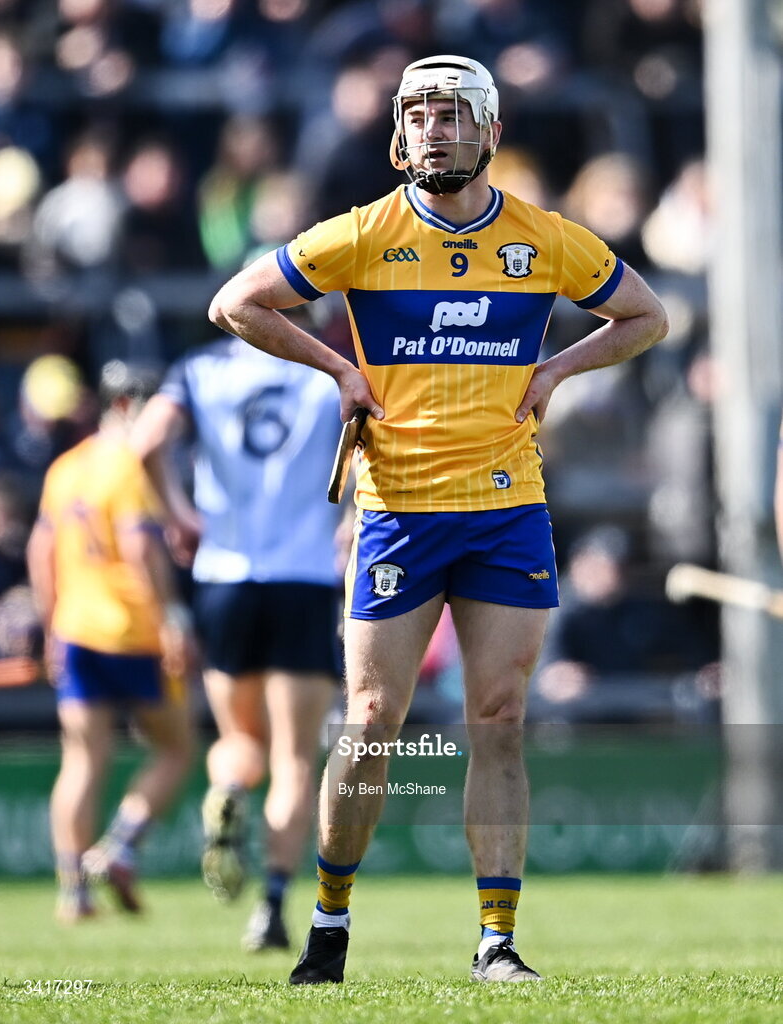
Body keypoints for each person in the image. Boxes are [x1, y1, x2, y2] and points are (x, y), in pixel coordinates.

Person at [207, 54, 669, 984]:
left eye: (452, 114)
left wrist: (553, 371)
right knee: (373, 720)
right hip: (399, 512)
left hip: (505, 511)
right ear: (396, 132)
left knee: (498, 716)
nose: (432, 129)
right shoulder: (363, 232)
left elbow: (645, 316)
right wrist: (339, 367)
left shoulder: (545, 238)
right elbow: (237, 303)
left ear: (491, 133)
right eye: (417, 114)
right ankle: (329, 922)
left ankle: (497, 941)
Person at [130, 316, 343, 951]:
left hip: (224, 574)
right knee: (295, 758)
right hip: (302, 576)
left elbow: (145, 443)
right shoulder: (328, 369)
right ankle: (272, 906)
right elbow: (371, 453)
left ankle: (225, 791)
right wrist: (353, 520)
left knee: (237, 740)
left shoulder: (199, 370)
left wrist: (179, 515)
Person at [26, 360, 196, 923]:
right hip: (135, 632)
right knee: (176, 748)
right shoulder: (133, 468)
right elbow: (143, 551)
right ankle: (120, 845)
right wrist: (172, 618)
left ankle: (72, 891)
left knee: (82, 761)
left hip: (77, 631)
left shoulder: (66, 467)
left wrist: (53, 627)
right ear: (124, 405)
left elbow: (40, 553)